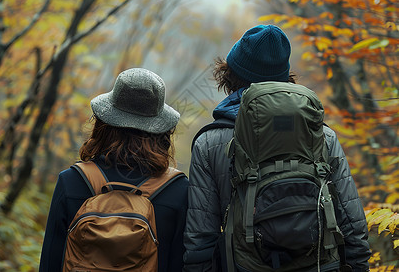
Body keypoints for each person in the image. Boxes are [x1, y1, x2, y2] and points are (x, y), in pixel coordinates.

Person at [183, 25, 371, 271]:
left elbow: (200, 237)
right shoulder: (322, 135)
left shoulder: (209, 142)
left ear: (230, 74)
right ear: (284, 75)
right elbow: (352, 223)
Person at [40, 68, 189, 272]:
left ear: (104, 122)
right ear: (161, 130)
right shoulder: (178, 190)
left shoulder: (72, 181)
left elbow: (50, 261)